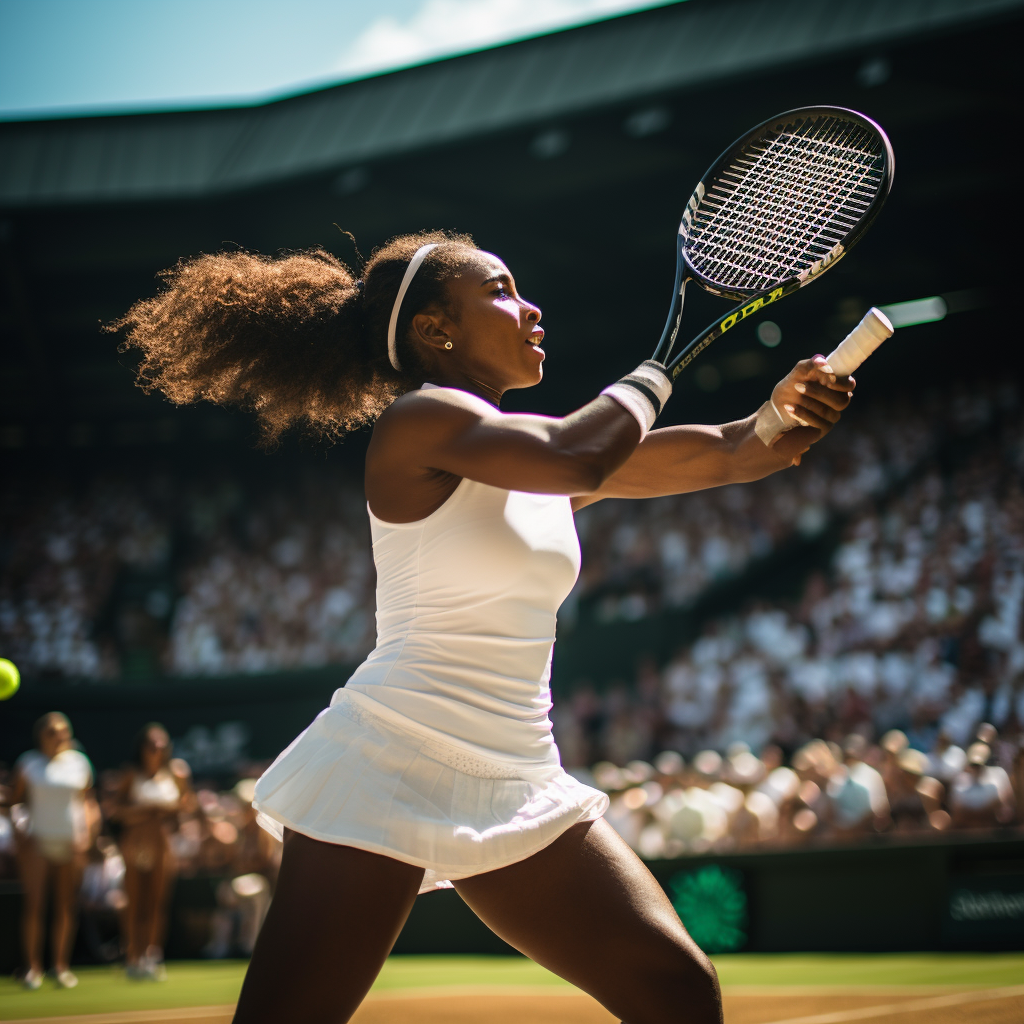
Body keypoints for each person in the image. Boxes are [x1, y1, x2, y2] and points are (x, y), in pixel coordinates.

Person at [113, 231, 854, 1023]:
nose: (531, 308)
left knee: (676, 989)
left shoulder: (524, 455)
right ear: (437, 330)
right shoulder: (421, 421)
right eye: (501, 291)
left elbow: (732, 452)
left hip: (516, 772)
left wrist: (780, 416)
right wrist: (654, 373)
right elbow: (581, 455)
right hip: (390, 754)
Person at [3, 712, 99, 990]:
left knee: (66, 906)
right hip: (38, 843)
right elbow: (14, 802)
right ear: (41, 735)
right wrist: (20, 832)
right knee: (35, 906)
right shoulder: (28, 763)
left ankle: (60, 967)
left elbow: (88, 802)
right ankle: (32, 968)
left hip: (71, 843)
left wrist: (87, 833)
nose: (60, 736)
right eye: (53, 732)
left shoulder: (79, 763)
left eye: (63, 731)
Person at [112, 723, 193, 979]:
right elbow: (117, 810)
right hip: (135, 843)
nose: (156, 749)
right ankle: (133, 955)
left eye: (161, 745)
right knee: (134, 901)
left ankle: (152, 954)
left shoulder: (177, 773)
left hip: (162, 844)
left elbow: (185, 805)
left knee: (157, 902)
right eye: (151, 744)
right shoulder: (130, 774)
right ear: (142, 748)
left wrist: (168, 810)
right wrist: (144, 811)